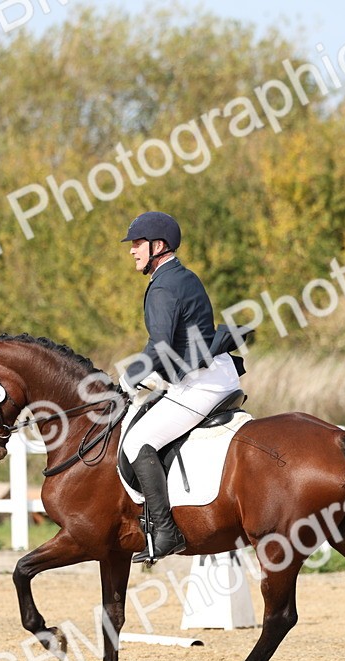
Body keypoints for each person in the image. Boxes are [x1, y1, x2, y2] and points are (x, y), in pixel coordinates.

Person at [119, 211, 243, 563]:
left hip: (200, 383)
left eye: (138, 244)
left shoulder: (162, 286)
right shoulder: (182, 276)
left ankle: (164, 531)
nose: (132, 251)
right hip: (214, 373)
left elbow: (159, 346)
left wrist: (128, 379)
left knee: (138, 442)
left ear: (158, 246)